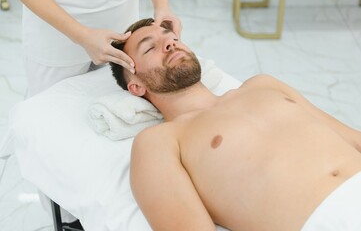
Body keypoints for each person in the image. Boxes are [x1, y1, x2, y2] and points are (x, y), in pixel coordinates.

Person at [110, 18, 361, 231]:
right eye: (149, 48)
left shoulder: (263, 84)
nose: (169, 43)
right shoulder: (161, 140)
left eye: (171, 36)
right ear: (136, 86)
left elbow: (351, 137)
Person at [14, 0, 181, 97]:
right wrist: (83, 36)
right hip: (56, 32)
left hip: (121, 20)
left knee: (117, 99)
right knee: (52, 114)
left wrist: (162, 5)